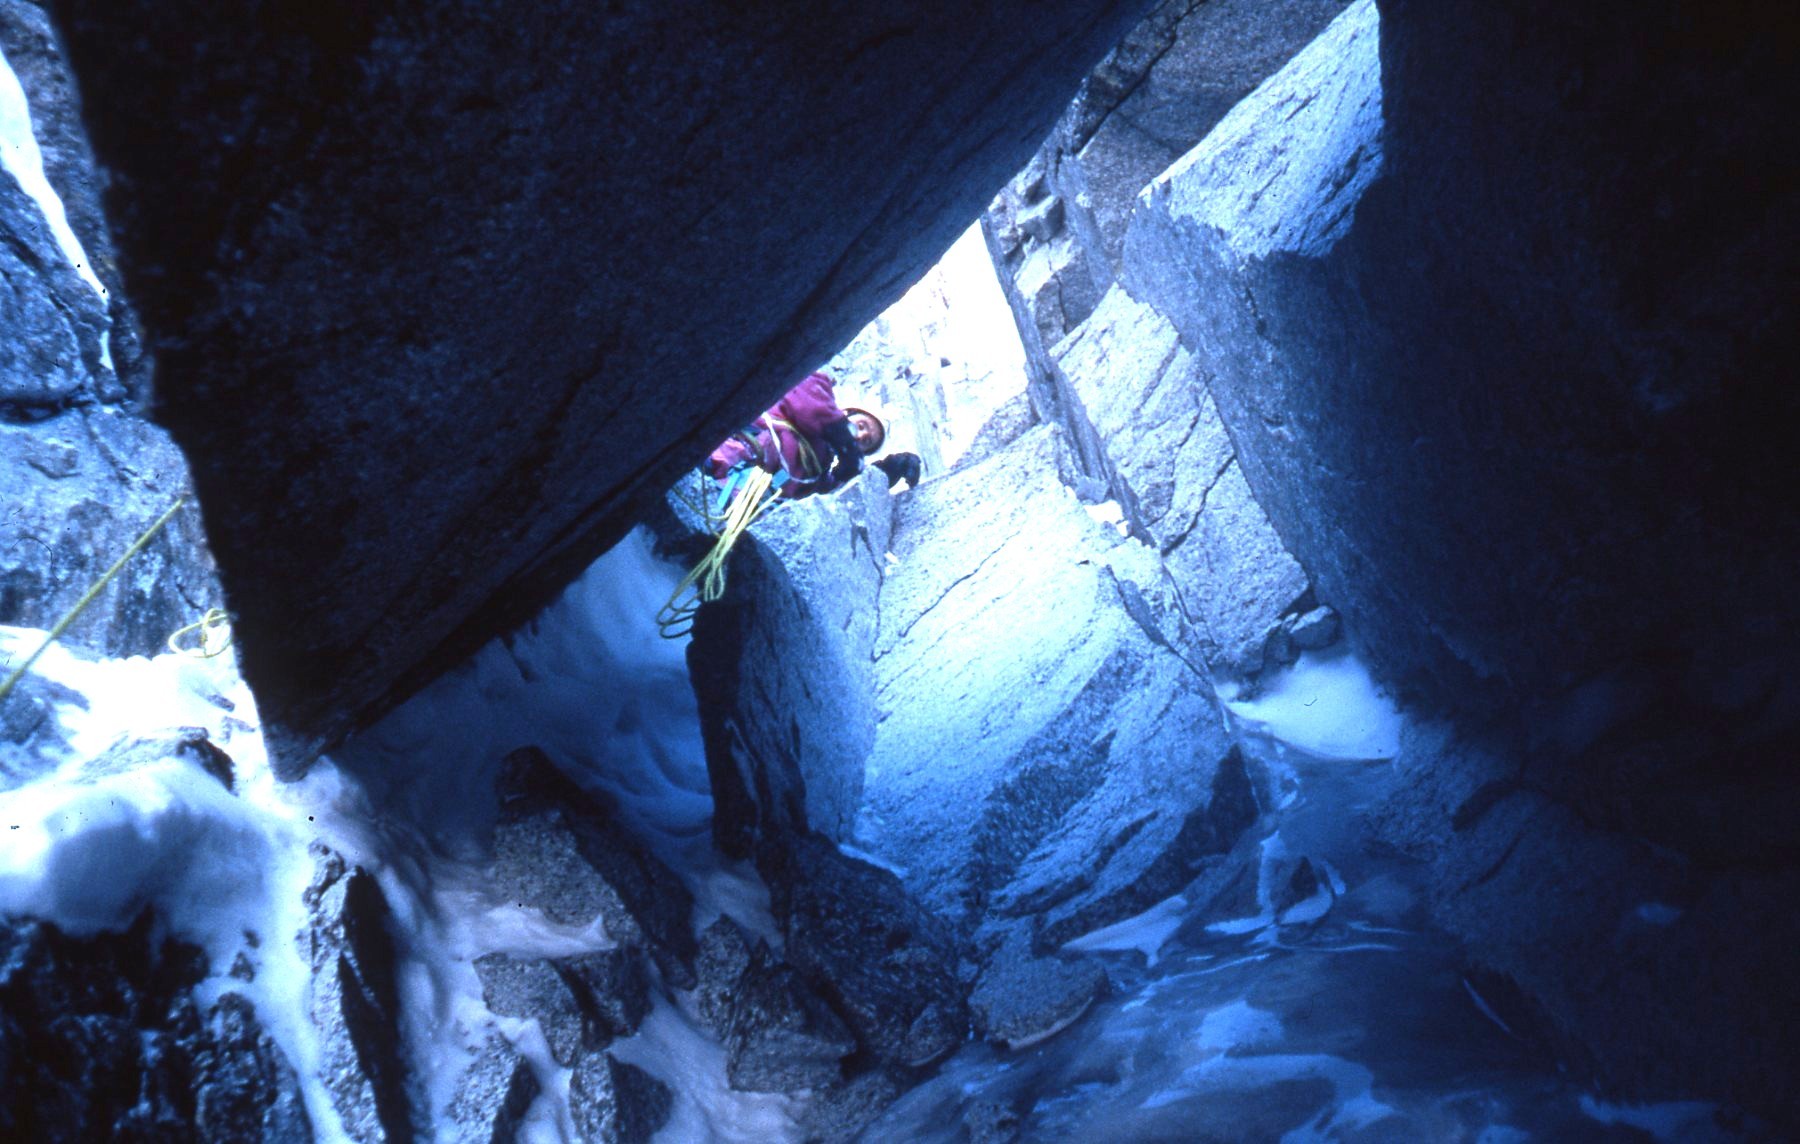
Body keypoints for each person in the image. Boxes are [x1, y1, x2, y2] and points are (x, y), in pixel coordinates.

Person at [704, 371, 921, 501]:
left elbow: (839, 495)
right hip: (724, 452)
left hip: (740, 498)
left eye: (866, 442)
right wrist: (839, 432)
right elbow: (805, 393)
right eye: (861, 425)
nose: (861, 435)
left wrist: (887, 471)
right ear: (848, 412)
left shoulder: (818, 469)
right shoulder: (818, 392)